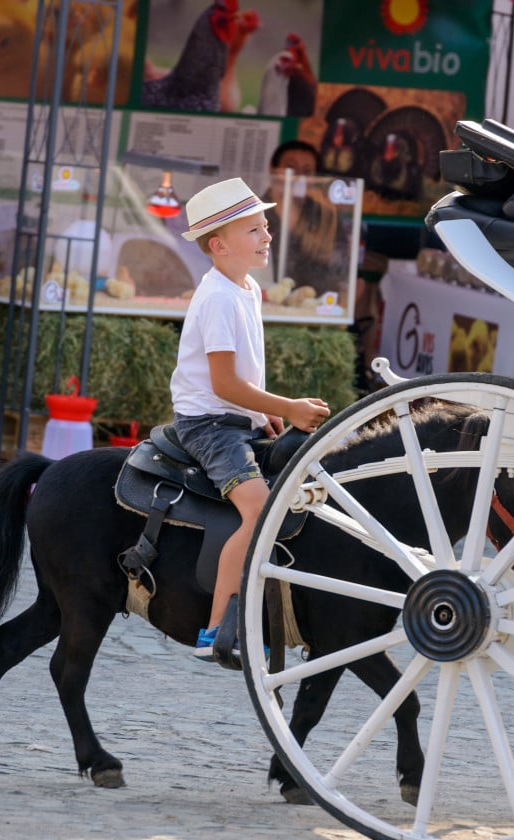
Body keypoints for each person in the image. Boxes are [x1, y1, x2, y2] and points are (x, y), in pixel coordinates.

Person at [171, 177, 330, 662]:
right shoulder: (218, 298)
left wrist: (264, 415)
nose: (267, 237)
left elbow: (246, 371)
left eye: (265, 227)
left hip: (239, 418)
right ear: (218, 245)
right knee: (259, 509)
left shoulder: (249, 289)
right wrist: (288, 407)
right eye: (254, 231)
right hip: (209, 425)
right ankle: (216, 629)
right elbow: (222, 384)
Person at [264, 139, 348, 293]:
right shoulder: (252, 214)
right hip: (260, 306)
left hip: (312, 308)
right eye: (290, 168)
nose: (298, 176)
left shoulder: (326, 218)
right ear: (273, 170)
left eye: (307, 171)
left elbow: (338, 269)